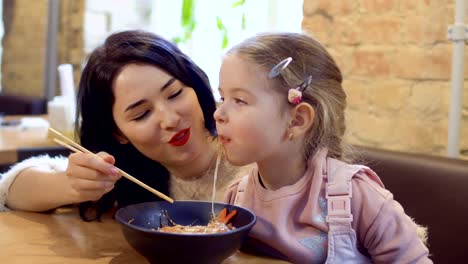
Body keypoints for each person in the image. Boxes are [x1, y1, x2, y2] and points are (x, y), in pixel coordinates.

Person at [214, 32, 432, 263]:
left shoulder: (359, 198)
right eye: (222, 98)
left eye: (239, 100)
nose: (218, 114)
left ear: (297, 120)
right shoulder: (236, 197)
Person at [0, 30, 250, 221]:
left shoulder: (253, 150)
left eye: (174, 94)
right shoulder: (127, 174)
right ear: (118, 133)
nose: (170, 119)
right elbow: (9, 190)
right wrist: (72, 187)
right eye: (142, 114)